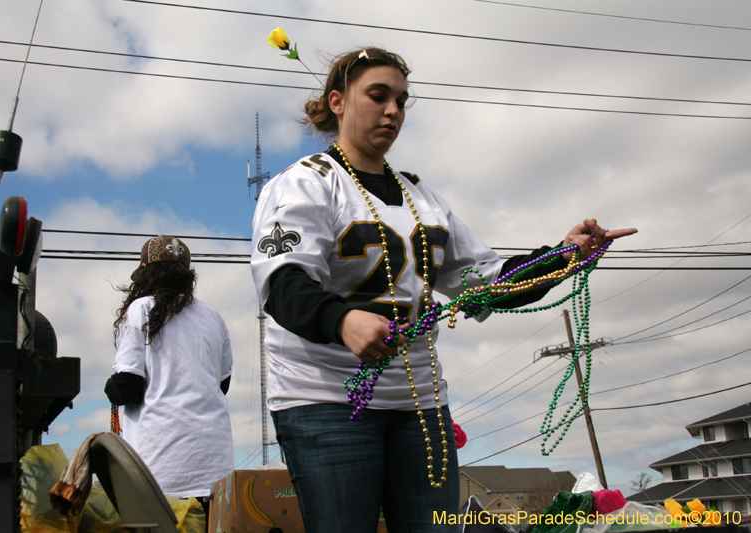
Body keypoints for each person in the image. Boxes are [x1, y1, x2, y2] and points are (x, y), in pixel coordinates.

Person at [250, 48, 636, 532]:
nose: (393, 110)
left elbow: (487, 282)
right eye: (378, 95)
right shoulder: (303, 184)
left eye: (402, 101)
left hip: (420, 404)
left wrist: (560, 255)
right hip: (326, 400)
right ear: (338, 102)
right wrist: (343, 320)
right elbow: (281, 282)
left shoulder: (423, 197)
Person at [105, 235, 233, 516]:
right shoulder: (213, 317)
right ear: (188, 276)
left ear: (143, 272)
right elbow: (221, 384)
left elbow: (127, 387)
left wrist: (109, 388)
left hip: (160, 467)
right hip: (215, 466)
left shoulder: (139, 310)